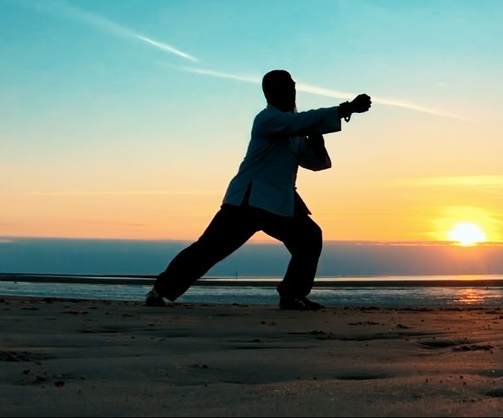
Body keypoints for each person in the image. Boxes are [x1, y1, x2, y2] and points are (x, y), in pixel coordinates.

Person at [145, 69, 372, 310]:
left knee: (309, 237)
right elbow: (301, 122)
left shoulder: (291, 128)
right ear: (271, 92)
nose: (292, 90)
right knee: (209, 249)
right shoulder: (268, 119)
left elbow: (315, 163)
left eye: (293, 85)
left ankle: (292, 295)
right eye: (286, 86)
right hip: (248, 201)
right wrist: (345, 109)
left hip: (279, 200)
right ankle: (159, 291)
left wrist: (317, 135)